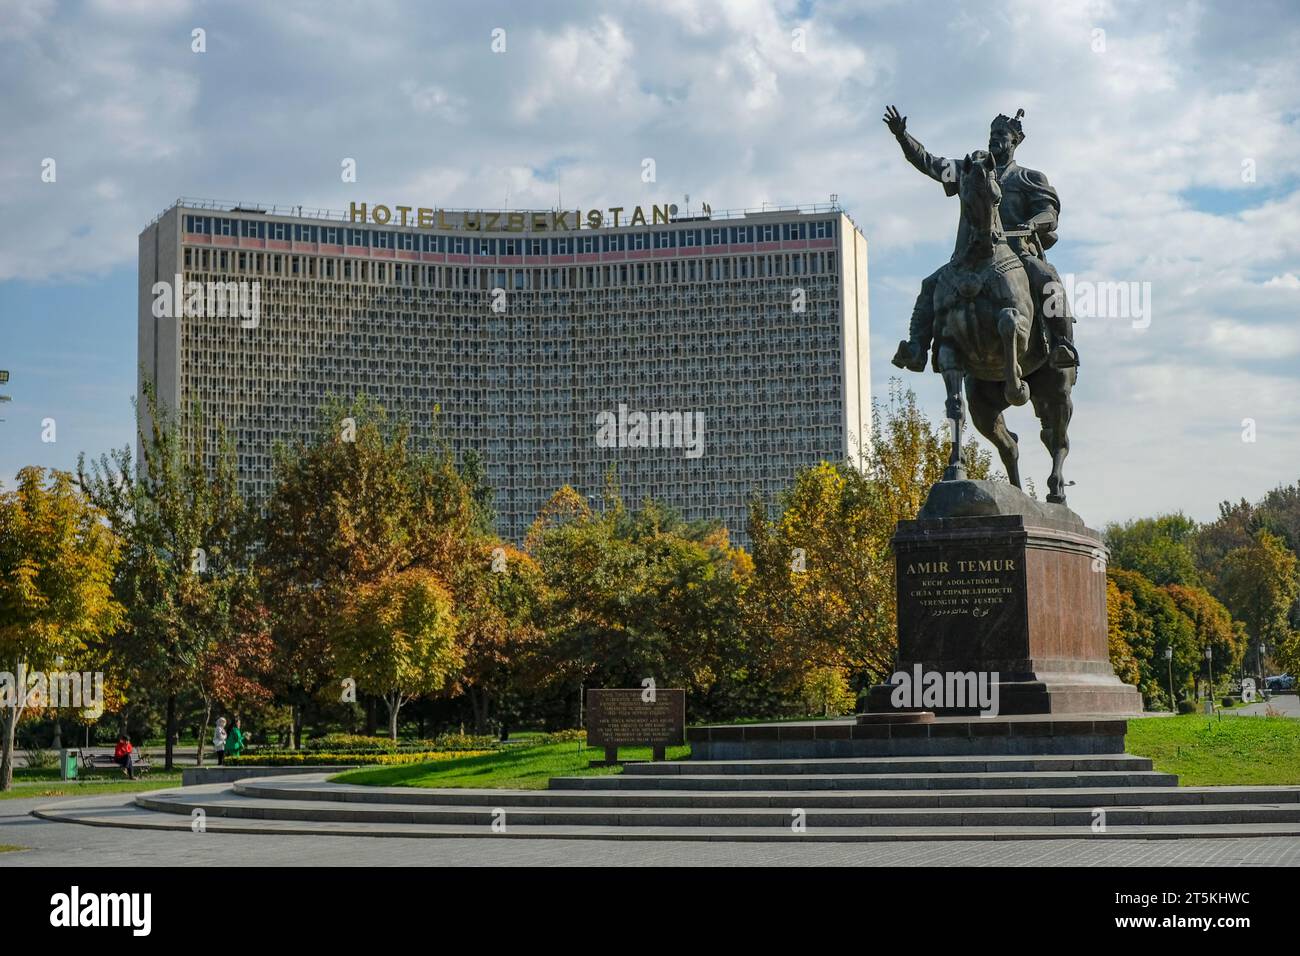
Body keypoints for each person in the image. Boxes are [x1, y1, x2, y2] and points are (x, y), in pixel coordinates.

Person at [883, 105, 1079, 373]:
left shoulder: (1029, 178)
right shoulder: (969, 171)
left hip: (1017, 253)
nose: (994, 138)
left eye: (1000, 134)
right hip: (972, 254)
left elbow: (1049, 213)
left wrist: (1032, 223)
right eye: (991, 133)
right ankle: (917, 348)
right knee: (930, 285)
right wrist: (903, 136)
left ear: (1015, 141)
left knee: (1047, 279)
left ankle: (1061, 343)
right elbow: (929, 163)